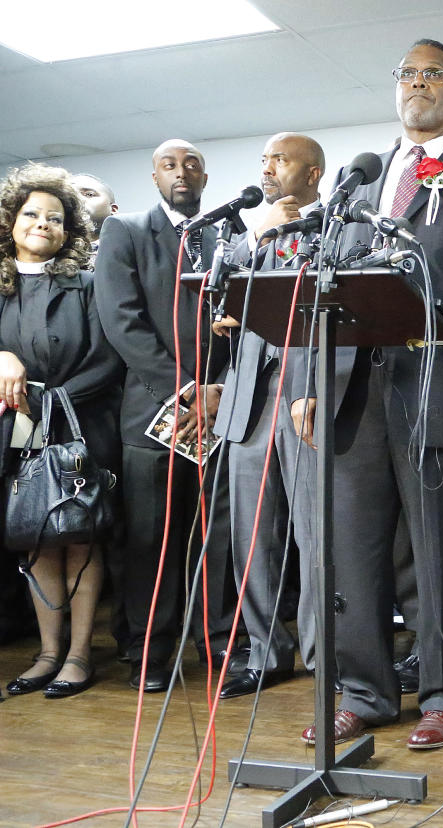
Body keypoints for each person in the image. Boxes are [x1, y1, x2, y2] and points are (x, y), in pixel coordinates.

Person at [293, 39, 443, 750]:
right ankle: (365, 690)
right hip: (353, 394)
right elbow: (323, 291)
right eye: (407, 73)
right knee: (355, 551)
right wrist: (311, 383)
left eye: (434, 74)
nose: (418, 84)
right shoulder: (357, 182)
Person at [95, 139, 238, 692]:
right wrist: (186, 390)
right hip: (156, 415)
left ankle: (216, 643)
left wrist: (219, 390)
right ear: (153, 175)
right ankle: (148, 653)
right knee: (152, 541)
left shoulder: (228, 235)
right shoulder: (126, 230)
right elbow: (122, 323)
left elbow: (245, 319)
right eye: (170, 165)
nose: (183, 172)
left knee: (214, 538)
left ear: (206, 175)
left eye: (193, 164)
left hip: (221, 411)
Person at [0, 163, 123, 698]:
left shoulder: (89, 284)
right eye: (31, 214)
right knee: (34, 539)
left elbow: (109, 358)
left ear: (69, 230)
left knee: (79, 538)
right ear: (11, 221)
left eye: (54, 218)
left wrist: (47, 399)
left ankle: (77, 655)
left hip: (79, 425)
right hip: (14, 433)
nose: (42, 224)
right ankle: (46, 653)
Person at [214, 132, 326, 699]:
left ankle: (320, 652)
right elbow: (217, 295)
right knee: (251, 537)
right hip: (249, 399)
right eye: (264, 160)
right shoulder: (248, 232)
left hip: (308, 394)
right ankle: (264, 652)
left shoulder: (337, 227)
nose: (268, 169)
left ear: (311, 175)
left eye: (280, 160)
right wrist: (256, 237)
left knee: (314, 535)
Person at [69, 173, 117, 268]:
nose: (77, 200)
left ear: (113, 210)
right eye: (70, 196)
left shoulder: (130, 248)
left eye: (89, 194)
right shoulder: (49, 254)